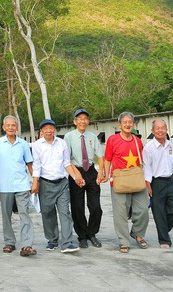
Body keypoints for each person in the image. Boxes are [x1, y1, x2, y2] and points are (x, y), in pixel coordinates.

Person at [31, 119, 82, 254]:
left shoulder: (62, 143)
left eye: (51, 128)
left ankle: (67, 243)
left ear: (55, 129)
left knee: (65, 213)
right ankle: (52, 240)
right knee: (48, 214)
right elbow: (37, 165)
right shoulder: (37, 145)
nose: (49, 130)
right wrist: (35, 182)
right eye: (45, 128)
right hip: (45, 183)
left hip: (62, 183)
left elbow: (66, 163)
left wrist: (75, 177)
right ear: (41, 131)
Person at [103, 112, 150, 253]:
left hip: (136, 179)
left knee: (143, 209)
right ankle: (124, 240)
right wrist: (106, 174)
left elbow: (142, 161)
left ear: (133, 124)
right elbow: (107, 159)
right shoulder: (112, 140)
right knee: (121, 213)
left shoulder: (137, 141)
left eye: (130, 122)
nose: (128, 124)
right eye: (125, 122)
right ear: (119, 124)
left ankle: (138, 233)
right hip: (119, 180)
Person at [0, 115, 36, 257]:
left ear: (16, 127)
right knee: (6, 215)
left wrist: (35, 181)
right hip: (5, 185)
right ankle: (9, 242)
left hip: (22, 184)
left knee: (24, 214)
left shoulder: (23, 144)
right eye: (8, 125)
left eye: (13, 125)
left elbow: (29, 163)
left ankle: (26, 244)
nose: (10, 127)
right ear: (3, 127)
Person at [63, 108, 105, 249]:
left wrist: (100, 172)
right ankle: (82, 236)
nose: (82, 121)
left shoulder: (93, 136)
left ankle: (92, 233)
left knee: (96, 207)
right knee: (77, 207)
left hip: (91, 171)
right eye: (79, 118)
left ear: (88, 121)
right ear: (75, 121)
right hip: (76, 171)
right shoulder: (68, 137)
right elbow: (66, 159)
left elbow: (100, 155)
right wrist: (76, 175)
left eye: (85, 118)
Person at [142, 119, 173, 249]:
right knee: (159, 212)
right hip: (156, 183)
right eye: (157, 128)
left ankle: (163, 230)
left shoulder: (170, 144)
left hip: (170, 181)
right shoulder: (148, 147)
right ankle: (164, 240)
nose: (160, 130)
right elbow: (146, 167)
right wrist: (148, 185)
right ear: (152, 131)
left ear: (166, 130)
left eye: (163, 128)